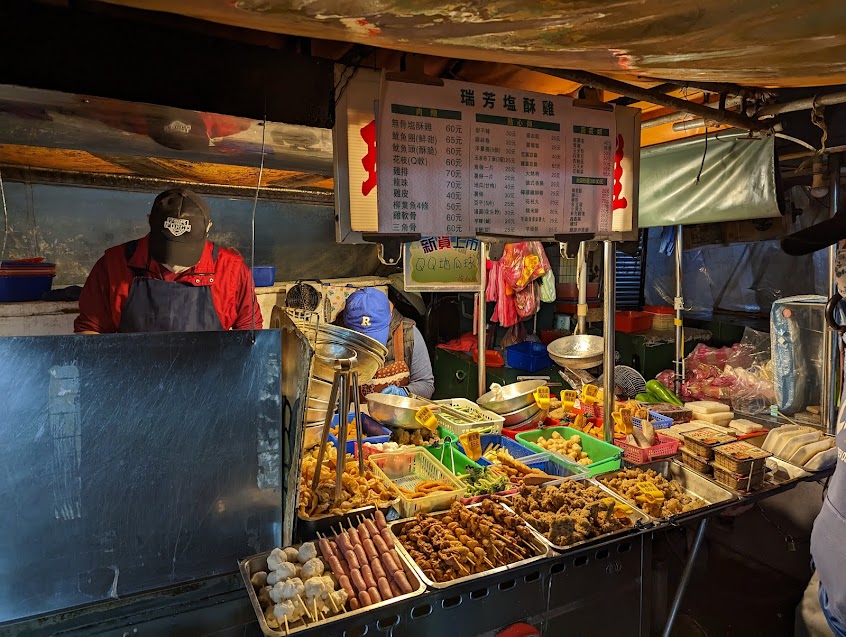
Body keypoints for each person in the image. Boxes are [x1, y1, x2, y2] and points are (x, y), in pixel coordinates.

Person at [74, 188, 262, 333]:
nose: (174, 264)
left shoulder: (232, 270)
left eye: (185, 250)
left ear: (208, 229)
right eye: (167, 248)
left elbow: (249, 334)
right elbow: (91, 329)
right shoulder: (113, 265)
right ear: (149, 222)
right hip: (135, 378)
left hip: (208, 379)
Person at [342, 288, 434, 399]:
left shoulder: (408, 334)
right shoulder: (335, 340)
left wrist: (405, 392)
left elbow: (426, 385)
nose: (369, 346)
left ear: (390, 316)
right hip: (351, 415)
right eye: (361, 338)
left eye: (374, 338)